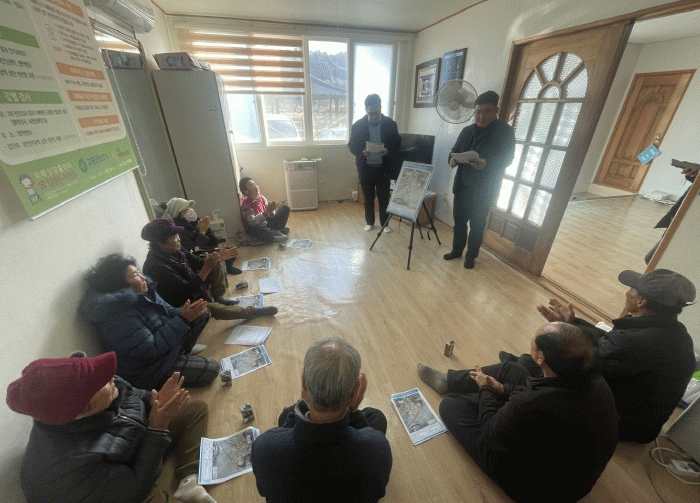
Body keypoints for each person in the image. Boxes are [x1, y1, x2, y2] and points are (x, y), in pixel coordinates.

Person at [418, 322, 618, 503]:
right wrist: (503, 389)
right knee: (513, 369)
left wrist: (486, 390)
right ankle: (448, 381)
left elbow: (491, 433)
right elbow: (541, 398)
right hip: (571, 469)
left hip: (542, 491)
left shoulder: (531, 402)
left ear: (541, 357)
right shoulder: (594, 379)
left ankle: (479, 396)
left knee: (450, 405)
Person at [7, 352, 216, 503]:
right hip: (116, 489)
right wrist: (157, 428)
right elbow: (135, 487)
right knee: (157, 497)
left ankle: (189, 479)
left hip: (130, 450)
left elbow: (138, 396)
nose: (110, 376)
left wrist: (158, 403)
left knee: (195, 410)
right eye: (102, 382)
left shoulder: (107, 384)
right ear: (84, 410)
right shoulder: (70, 466)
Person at [518, 268, 696, 443]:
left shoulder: (637, 340)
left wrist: (555, 339)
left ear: (641, 301)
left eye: (632, 289)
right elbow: (608, 343)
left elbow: (583, 364)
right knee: (530, 365)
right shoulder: (672, 331)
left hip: (624, 424)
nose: (627, 292)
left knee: (531, 364)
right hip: (643, 423)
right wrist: (573, 324)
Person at [251, 337, 392, 503]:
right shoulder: (378, 447)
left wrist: (302, 405)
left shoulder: (264, 447)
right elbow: (378, 492)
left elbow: (263, 490)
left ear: (304, 383)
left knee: (285, 415)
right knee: (377, 418)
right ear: (354, 392)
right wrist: (353, 413)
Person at [80, 254, 219, 390]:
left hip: (164, 351)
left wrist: (185, 312)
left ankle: (182, 354)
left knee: (202, 313)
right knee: (212, 369)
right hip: (148, 370)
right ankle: (161, 382)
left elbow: (169, 311)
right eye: (135, 275)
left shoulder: (143, 293)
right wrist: (183, 318)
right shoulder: (118, 315)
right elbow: (151, 349)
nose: (143, 277)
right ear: (121, 287)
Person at [142, 218, 278, 320]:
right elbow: (187, 291)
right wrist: (207, 267)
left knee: (215, 261)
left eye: (177, 235)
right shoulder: (156, 267)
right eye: (173, 237)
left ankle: (219, 297)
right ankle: (250, 312)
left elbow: (197, 262)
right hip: (181, 303)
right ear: (160, 243)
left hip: (191, 288)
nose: (178, 239)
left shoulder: (175, 249)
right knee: (208, 308)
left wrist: (217, 257)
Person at [444, 90, 515, 268]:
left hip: (485, 188)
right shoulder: (466, 131)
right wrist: (452, 159)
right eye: (477, 112)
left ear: (496, 110)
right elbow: (454, 151)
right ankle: (457, 250)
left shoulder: (505, 132)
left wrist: (487, 163)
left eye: (486, 112)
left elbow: (508, 159)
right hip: (462, 185)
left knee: (477, 224)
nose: (480, 116)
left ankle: (471, 256)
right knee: (459, 222)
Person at [347, 94, 401, 232]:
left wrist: (388, 150)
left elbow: (397, 143)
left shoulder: (390, 124)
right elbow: (351, 145)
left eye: (376, 113)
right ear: (366, 110)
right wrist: (362, 151)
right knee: (368, 197)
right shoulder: (358, 126)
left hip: (384, 168)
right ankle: (370, 222)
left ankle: (385, 224)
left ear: (380, 108)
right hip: (366, 168)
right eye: (370, 114)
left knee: (384, 198)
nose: (374, 116)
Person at [164, 197, 242, 275]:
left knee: (232, 251)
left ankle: (224, 265)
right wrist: (202, 232)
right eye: (186, 209)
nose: (190, 210)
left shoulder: (193, 222)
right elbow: (193, 251)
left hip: (204, 249)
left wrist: (207, 228)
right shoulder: (179, 230)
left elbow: (214, 241)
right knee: (226, 254)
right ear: (177, 213)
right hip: (197, 256)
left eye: (190, 208)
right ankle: (226, 267)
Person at [645, 164, 698, 264]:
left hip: (693, 224)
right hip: (685, 218)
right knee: (653, 259)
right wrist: (695, 176)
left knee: (657, 260)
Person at [239, 177, 290, 243]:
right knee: (255, 229)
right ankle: (275, 237)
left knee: (285, 208)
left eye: (255, 185)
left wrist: (271, 211)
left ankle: (275, 231)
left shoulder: (262, 198)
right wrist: (266, 213)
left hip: (266, 223)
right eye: (252, 186)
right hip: (257, 226)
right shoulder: (246, 205)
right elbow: (252, 222)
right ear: (246, 191)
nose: (256, 187)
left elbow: (270, 215)